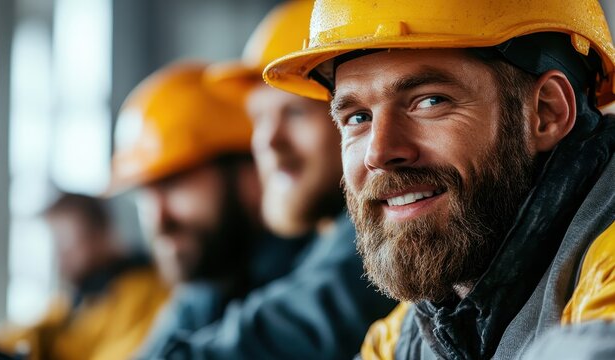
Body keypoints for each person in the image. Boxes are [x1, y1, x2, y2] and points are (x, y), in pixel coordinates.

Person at [264, 0, 615, 359]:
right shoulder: (411, 331)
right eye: (357, 118)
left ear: (546, 112)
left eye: (430, 101)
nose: (378, 153)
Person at [147, 1, 397, 359]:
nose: (267, 141)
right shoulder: (317, 243)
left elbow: (289, 329)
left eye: (293, 112)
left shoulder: (378, 239)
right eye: (258, 118)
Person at [109, 61, 305, 357]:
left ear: (249, 170)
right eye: (144, 195)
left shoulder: (314, 270)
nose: (158, 219)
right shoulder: (208, 282)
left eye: (173, 184)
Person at [0, 193, 168, 360]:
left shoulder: (147, 292)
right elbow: (30, 332)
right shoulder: (77, 299)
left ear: (101, 235)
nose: (60, 257)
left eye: (67, 243)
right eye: (56, 245)